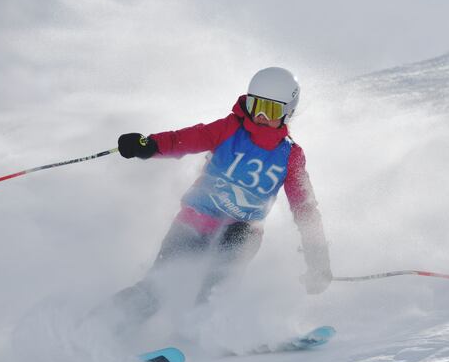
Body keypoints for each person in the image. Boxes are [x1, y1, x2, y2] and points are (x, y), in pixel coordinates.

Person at [113, 67, 332, 321]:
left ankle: (200, 332)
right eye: (255, 104)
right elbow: (186, 139)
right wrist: (148, 145)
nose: (260, 115)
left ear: (288, 111)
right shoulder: (229, 130)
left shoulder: (290, 156)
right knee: (157, 287)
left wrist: (317, 258)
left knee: (216, 287)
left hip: (242, 229)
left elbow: (304, 208)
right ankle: (103, 326)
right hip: (197, 219)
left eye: (270, 110)